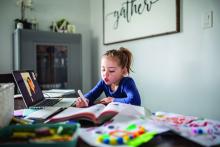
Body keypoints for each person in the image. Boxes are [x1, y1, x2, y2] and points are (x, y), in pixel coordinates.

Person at [75, 47, 141, 107]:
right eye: (103, 70)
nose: (105, 74)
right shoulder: (103, 82)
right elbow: (91, 95)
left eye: (111, 71)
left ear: (123, 71)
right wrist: (84, 100)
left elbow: (135, 101)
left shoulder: (127, 82)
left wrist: (113, 100)